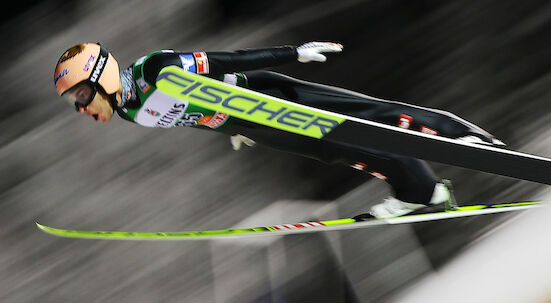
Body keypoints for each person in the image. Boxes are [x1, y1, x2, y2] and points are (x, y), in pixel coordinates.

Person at [53, 41, 503, 218]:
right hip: (250, 123)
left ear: (101, 79)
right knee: (341, 150)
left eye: (80, 97)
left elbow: (225, 61)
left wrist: (292, 53)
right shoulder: (131, 111)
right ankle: (421, 194)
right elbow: (188, 114)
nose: (82, 110)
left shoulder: (155, 68)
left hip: (266, 96)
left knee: (369, 116)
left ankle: (461, 137)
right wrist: (226, 125)